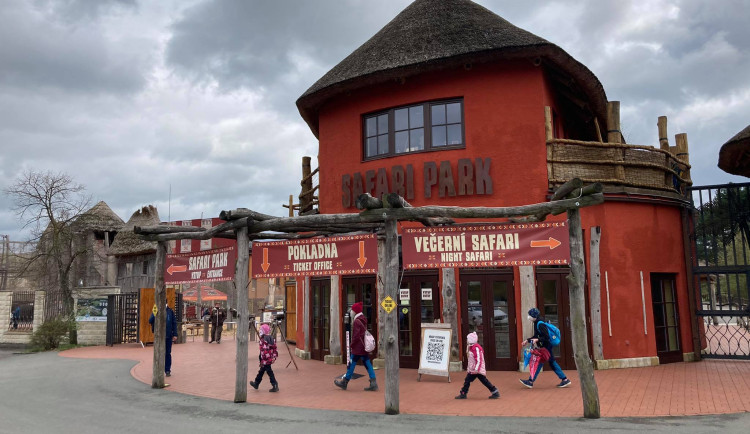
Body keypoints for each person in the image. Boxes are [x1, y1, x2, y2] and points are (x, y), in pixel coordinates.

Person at [519, 307, 571, 389]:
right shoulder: (536, 322)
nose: (528, 317)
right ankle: (564, 379)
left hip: (546, 346)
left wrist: (537, 339)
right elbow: (536, 335)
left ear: (534, 316)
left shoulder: (540, 324)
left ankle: (530, 381)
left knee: (542, 362)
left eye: (530, 315)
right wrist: (527, 340)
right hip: (544, 346)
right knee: (549, 362)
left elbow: (546, 337)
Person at [334, 302, 378, 391]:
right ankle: (373, 381)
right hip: (363, 346)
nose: (351, 312)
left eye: (352, 310)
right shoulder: (363, 319)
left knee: (352, 364)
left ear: (355, 311)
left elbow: (356, 335)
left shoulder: (356, 321)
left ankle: (345, 382)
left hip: (357, 348)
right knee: (367, 363)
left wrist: (352, 345)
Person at [455, 331, 500, 399]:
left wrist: (476, 369)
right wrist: (469, 369)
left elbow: (479, 360)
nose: (466, 340)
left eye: (467, 339)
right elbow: (470, 360)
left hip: (476, 370)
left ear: (470, 340)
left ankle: (463, 393)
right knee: (471, 380)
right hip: (473, 369)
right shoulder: (470, 347)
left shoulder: (476, 348)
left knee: (480, 381)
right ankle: (494, 391)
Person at [149, 303, 178, 377]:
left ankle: (167, 370)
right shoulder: (156, 309)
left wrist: (175, 334)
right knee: (158, 353)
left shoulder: (170, 311)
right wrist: (155, 313)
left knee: (167, 353)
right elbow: (150, 320)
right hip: (159, 336)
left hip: (168, 335)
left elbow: (174, 323)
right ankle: (158, 369)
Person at [249, 323, 279, 392]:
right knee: (261, 371)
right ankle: (256, 383)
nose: (259, 331)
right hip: (269, 359)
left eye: (261, 330)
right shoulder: (271, 338)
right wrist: (274, 357)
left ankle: (275, 384)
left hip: (265, 360)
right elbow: (275, 349)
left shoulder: (263, 340)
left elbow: (264, 351)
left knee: (269, 372)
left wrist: (263, 360)